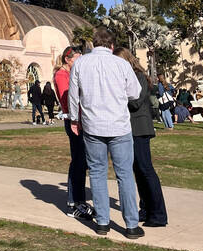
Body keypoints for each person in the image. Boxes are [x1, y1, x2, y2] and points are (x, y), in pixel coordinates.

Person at [68, 27, 143, 238]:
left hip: (93, 125)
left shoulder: (81, 63)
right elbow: (134, 92)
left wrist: (75, 118)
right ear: (112, 45)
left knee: (98, 173)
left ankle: (102, 222)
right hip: (118, 125)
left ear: (94, 43)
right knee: (125, 175)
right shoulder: (121, 64)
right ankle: (131, 225)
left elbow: (74, 95)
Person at [115, 47, 168, 227]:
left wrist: (116, 96)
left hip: (140, 128)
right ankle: (145, 208)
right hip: (129, 128)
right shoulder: (128, 77)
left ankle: (159, 214)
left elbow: (136, 102)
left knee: (146, 170)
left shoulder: (138, 76)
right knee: (138, 171)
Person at [53, 48, 94, 220]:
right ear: (67, 60)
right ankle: (73, 202)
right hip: (73, 121)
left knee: (82, 161)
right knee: (78, 161)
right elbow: (67, 98)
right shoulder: (62, 75)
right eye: (77, 59)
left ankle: (79, 200)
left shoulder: (73, 73)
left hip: (81, 119)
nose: (80, 63)